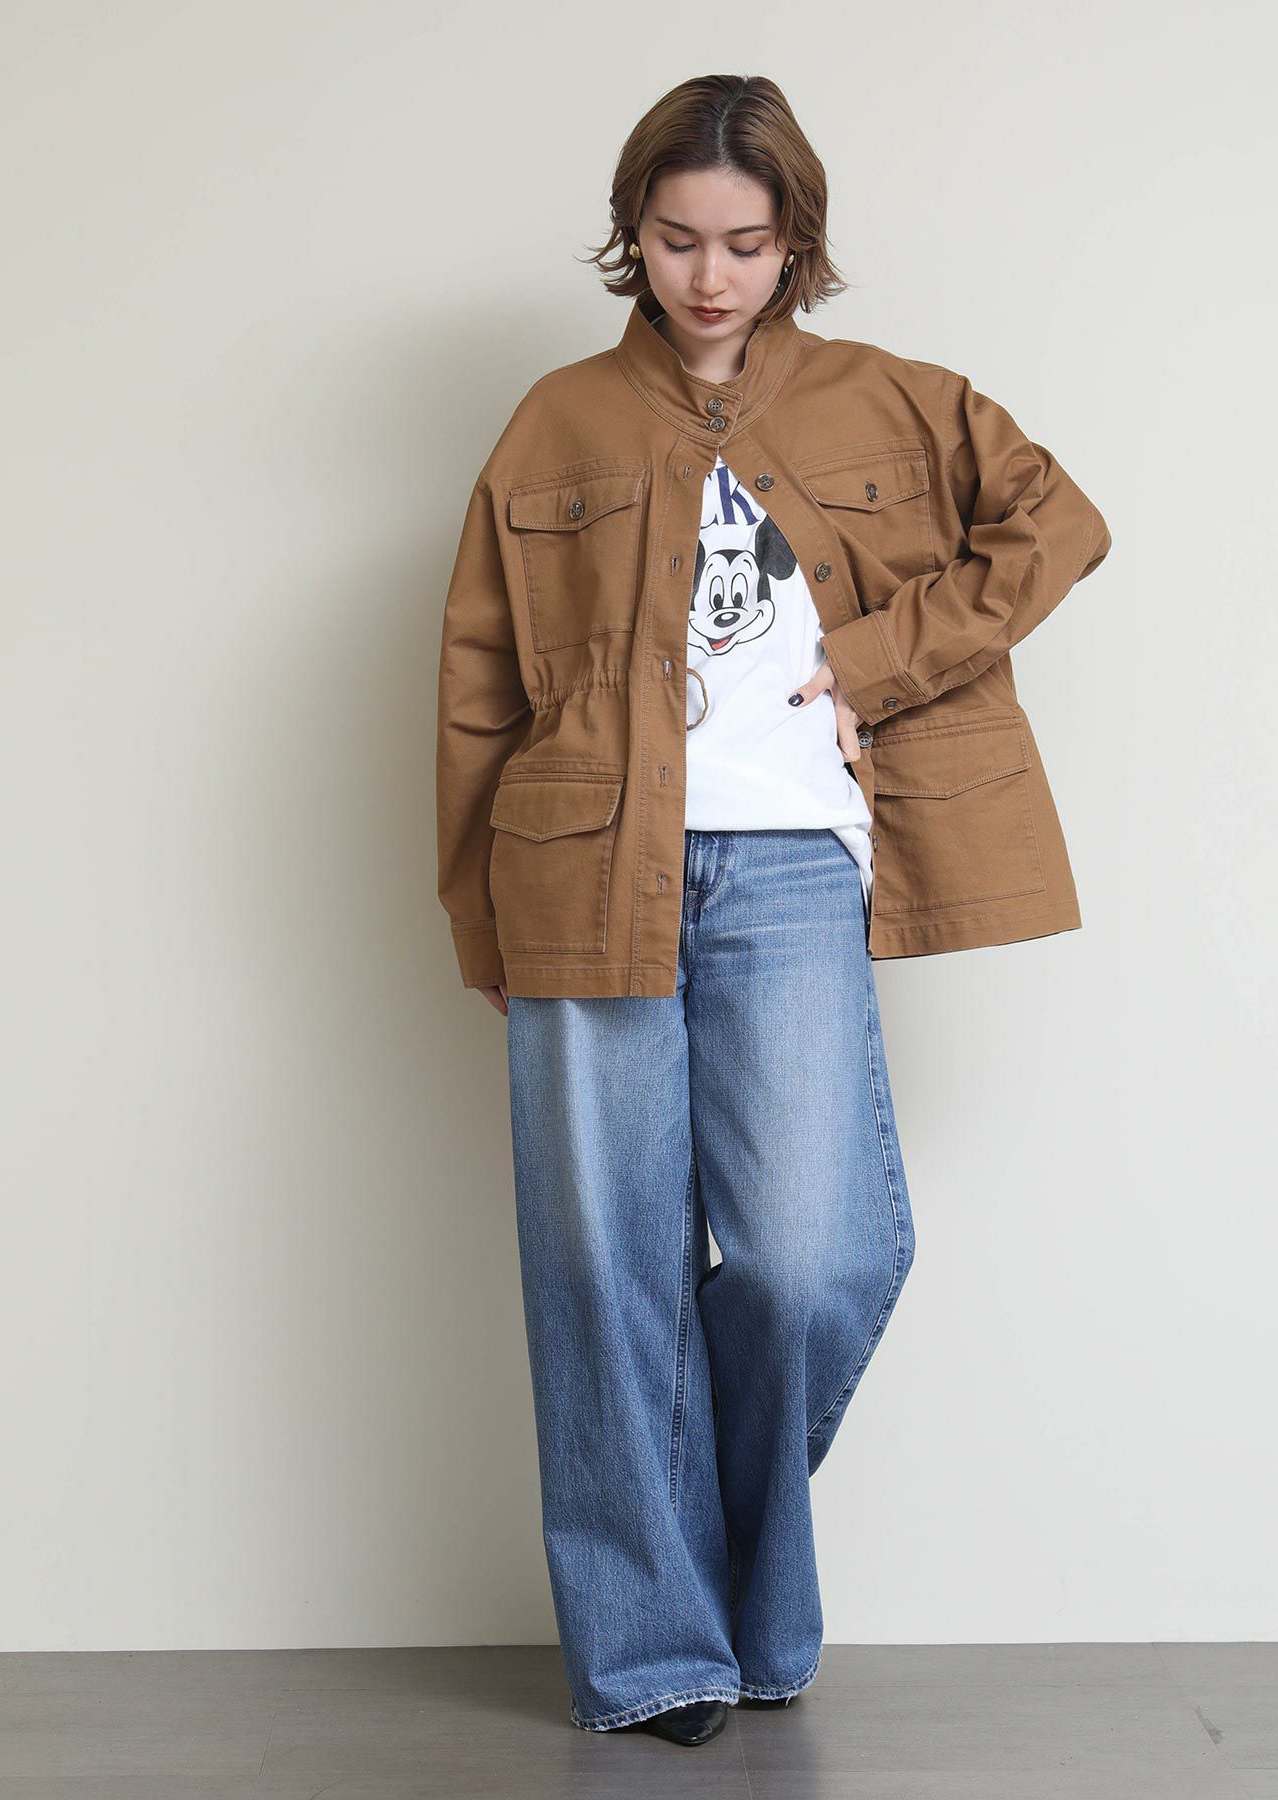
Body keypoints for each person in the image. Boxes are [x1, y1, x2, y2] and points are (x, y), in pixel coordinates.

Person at [435, 74, 1111, 1749]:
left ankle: (715, 1564)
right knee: (605, 1270)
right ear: (634, 234)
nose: (709, 276)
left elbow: (1061, 524)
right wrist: (481, 926)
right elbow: (476, 688)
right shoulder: (555, 423)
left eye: (744, 242)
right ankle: (655, 1654)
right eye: (676, 240)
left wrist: (878, 659)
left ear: (795, 239)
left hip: (794, 863)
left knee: (818, 1257)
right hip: (579, 867)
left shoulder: (901, 402)